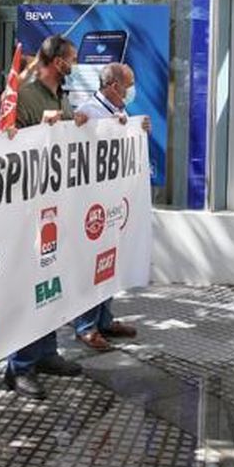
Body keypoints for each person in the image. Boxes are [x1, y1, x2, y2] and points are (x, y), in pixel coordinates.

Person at [4, 35, 89, 399]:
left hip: (58, 203)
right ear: (56, 61)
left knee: (52, 280)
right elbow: (8, 140)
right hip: (30, 204)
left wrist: (78, 122)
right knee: (29, 284)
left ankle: (46, 352)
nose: (75, 63)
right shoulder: (25, 94)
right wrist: (41, 124)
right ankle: (19, 366)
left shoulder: (62, 95)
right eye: (71, 58)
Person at [70, 63, 144, 349]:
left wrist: (139, 128)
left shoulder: (118, 110)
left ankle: (104, 319)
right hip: (92, 205)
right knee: (92, 265)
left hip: (114, 201)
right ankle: (85, 326)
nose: (132, 89)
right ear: (113, 85)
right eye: (129, 83)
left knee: (109, 263)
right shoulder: (89, 111)